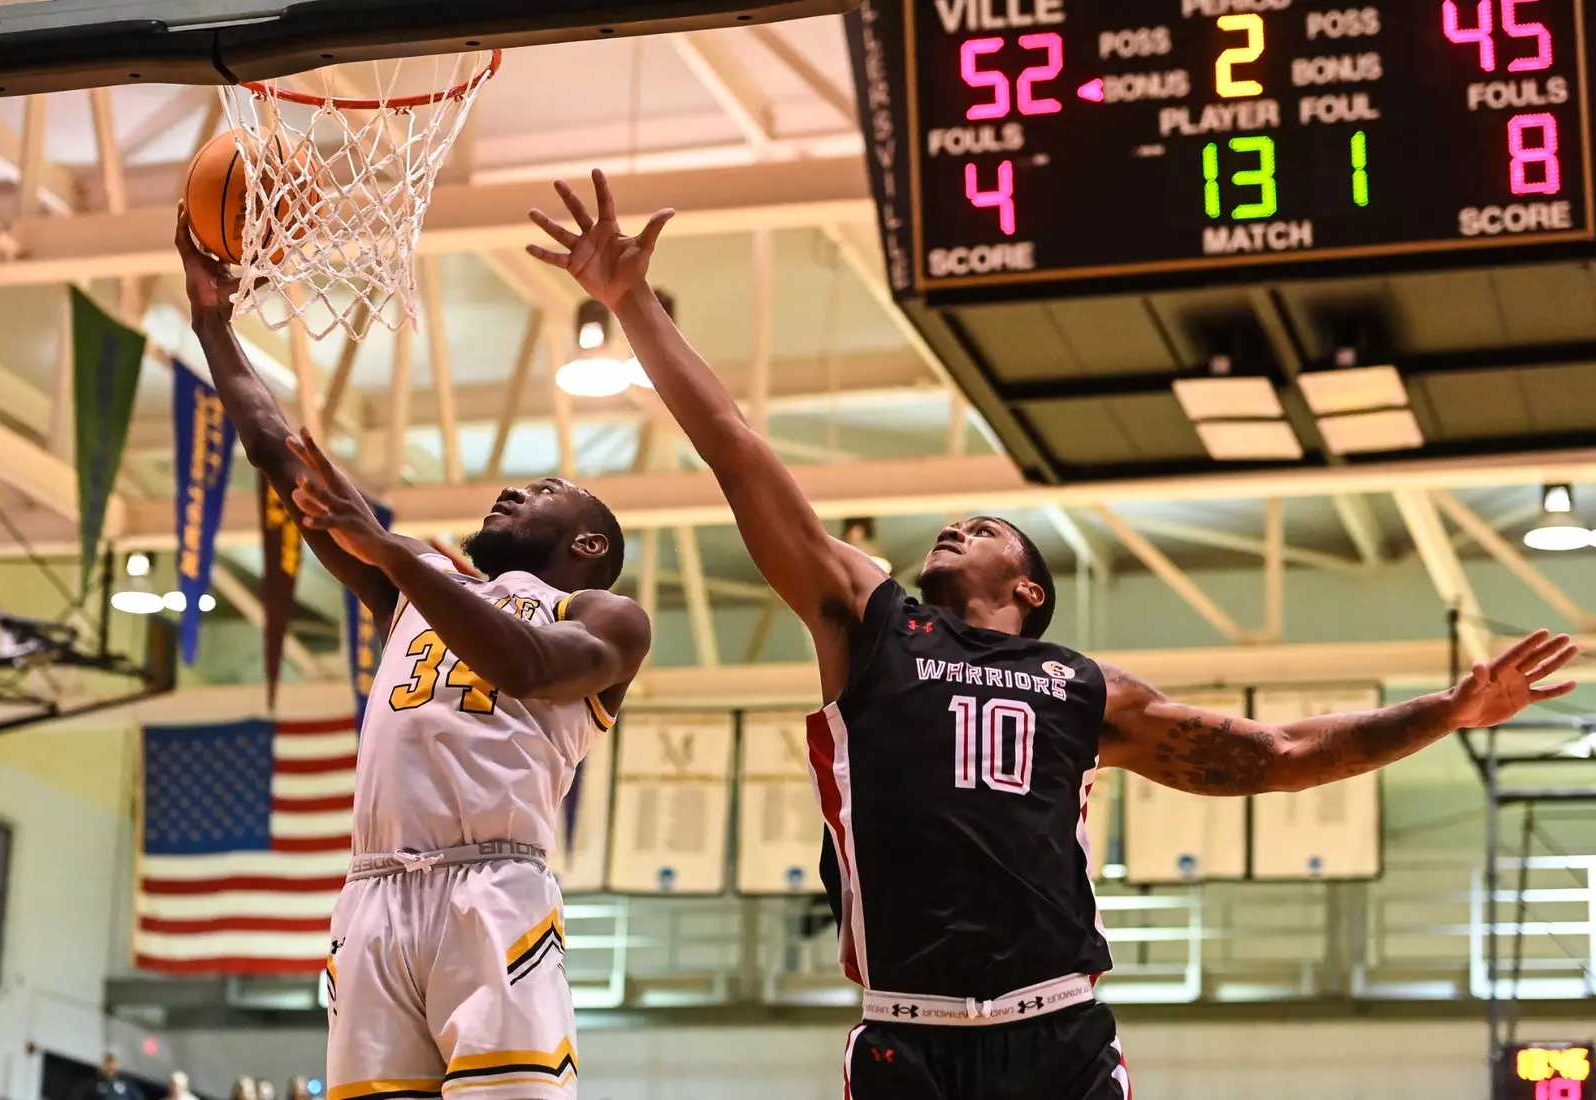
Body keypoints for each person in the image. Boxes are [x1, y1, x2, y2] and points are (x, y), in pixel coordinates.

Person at [526, 169, 1581, 1100]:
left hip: (1057, 1029)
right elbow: (736, 447)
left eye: (983, 527)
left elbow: (1273, 753)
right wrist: (632, 306)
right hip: (906, 1032)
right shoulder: (869, 621)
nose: (953, 522)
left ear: (1027, 586)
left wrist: (1447, 709)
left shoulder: (1085, 687)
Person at [176, 209, 651, 1100]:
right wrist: (213, 323)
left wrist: (392, 552)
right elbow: (283, 458)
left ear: (589, 543)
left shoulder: (604, 614)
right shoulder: (421, 585)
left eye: (545, 490)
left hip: (494, 889)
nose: (514, 489)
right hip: (373, 892)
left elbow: (531, 670)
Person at [72, 1054, 145, 1100]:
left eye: (112, 1064)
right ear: (102, 1065)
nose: (110, 1066)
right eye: (107, 1064)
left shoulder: (126, 1085)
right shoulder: (91, 1084)